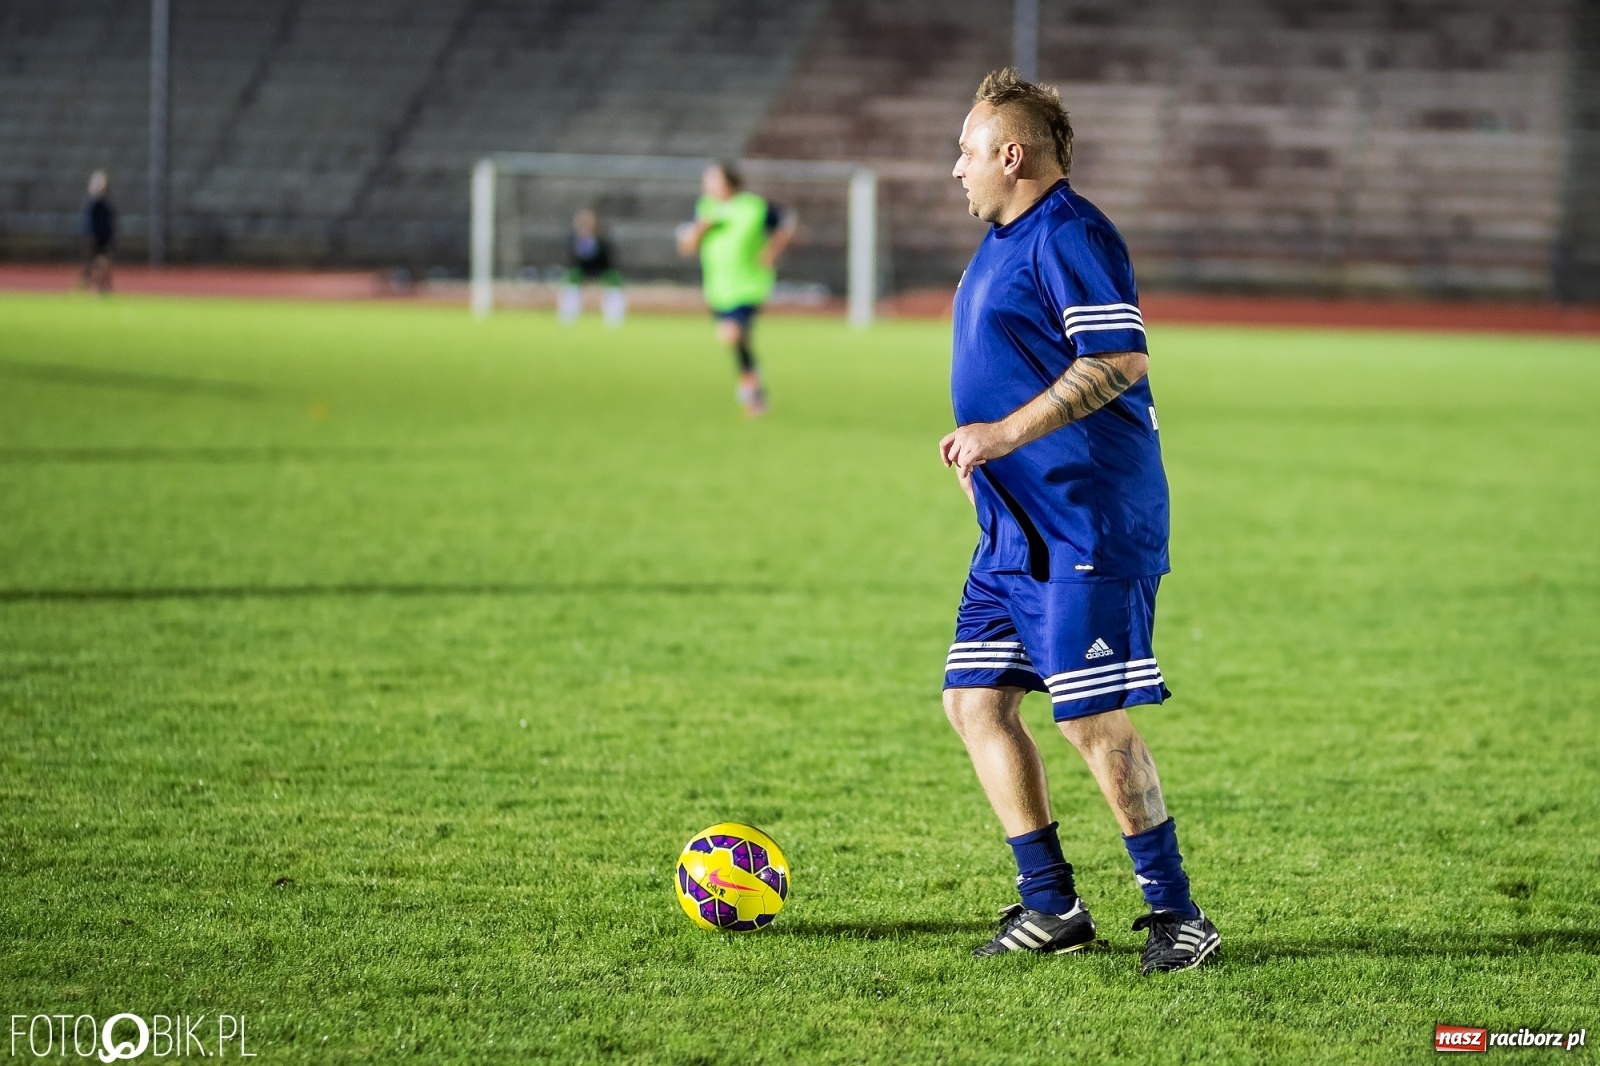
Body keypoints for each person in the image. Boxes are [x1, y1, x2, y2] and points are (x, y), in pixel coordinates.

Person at [937, 68, 1220, 973]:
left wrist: (1000, 433)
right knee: (975, 702)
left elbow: (1118, 359)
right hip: (1015, 531)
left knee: (1090, 719)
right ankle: (1052, 905)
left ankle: (1180, 917)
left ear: (1010, 154)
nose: (957, 169)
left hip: (1089, 526)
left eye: (968, 150)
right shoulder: (1002, 241)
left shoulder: (1071, 233)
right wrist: (984, 458)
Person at [676, 162, 796, 416]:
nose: (706, 186)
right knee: (738, 341)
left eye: (712, 180)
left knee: (730, 334)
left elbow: (787, 222)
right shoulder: (704, 210)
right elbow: (685, 247)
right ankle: (753, 383)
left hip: (750, 285)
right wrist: (701, 230)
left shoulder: (754, 206)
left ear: (729, 182)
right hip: (719, 288)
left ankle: (750, 387)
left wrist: (773, 250)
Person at [559, 208, 625, 328]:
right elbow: (572, 261)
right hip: (581, 269)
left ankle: (614, 318)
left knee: (614, 279)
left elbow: (609, 259)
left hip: (601, 268)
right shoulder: (572, 240)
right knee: (571, 278)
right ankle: (568, 317)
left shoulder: (602, 240)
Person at [81, 170, 115, 294]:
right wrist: (91, 237)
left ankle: (102, 287)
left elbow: (109, 224)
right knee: (94, 264)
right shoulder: (93, 206)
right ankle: (93, 287)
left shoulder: (106, 206)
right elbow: (90, 224)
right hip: (94, 239)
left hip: (104, 239)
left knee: (103, 264)